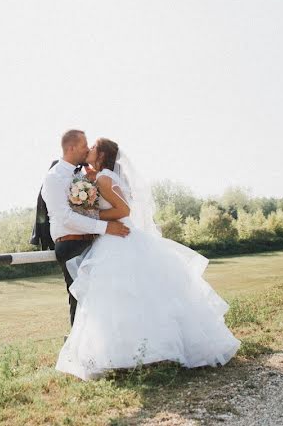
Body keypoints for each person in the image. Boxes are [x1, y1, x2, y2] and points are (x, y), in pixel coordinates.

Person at [55, 137, 240, 380]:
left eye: (93, 148)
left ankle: (128, 355)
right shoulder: (105, 176)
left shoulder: (103, 178)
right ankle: (141, 353)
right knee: (137, 298)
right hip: (120, 238)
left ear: (101, 156)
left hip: (116, 240)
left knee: (119, 298)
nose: (88, 150)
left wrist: (92, 213)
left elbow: (123, 211)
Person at [40, 129, 130, 326]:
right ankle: (78, 352)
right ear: (71, 148)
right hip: (71, 245)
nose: (87, 149)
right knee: (81, 300)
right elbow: (66, 217)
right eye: (84, 146)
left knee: (101, 298)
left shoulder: (84, 174)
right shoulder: (53, 178)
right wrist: (106, 227)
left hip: (92, 242)